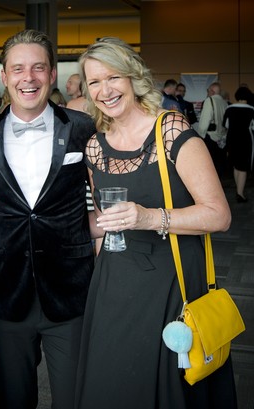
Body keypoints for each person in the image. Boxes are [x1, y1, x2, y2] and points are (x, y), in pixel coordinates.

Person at [74, 36, 237, 409]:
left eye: (112, 77)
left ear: (133, 77)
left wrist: (149, 217)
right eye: (94, 82)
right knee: (113, 381)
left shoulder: (172, 130)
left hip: (171, 279)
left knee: (164, 385)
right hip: (114, 281)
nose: (104, 90)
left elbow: (219, 214)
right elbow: (105, 222)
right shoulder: (96, 146)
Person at [0, 29, 96, 409]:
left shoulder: (82, 127)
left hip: (71, 290)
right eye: (18, 68)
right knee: (14, 400)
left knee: (75, 397)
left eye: (38, 68)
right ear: (4, 74)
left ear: (51, 74)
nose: (28, 77)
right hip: (6, 290)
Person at [223, 86, 254, 202]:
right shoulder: (251, 109)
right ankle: (240, 194)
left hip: (232, 139)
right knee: (243, 167)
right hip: (245, 139)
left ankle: (238, 190)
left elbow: (225, 125)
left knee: (236, 165)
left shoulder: (229, 108)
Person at [198, 82, 228, 178]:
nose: (207, 92)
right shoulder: (225, 103)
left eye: (208, 90)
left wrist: (200, 136)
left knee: (209, 165)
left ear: (212, 91)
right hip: (221, 137)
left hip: (210, 136)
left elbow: (204, 121)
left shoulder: (209, 100)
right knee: (219, 164)